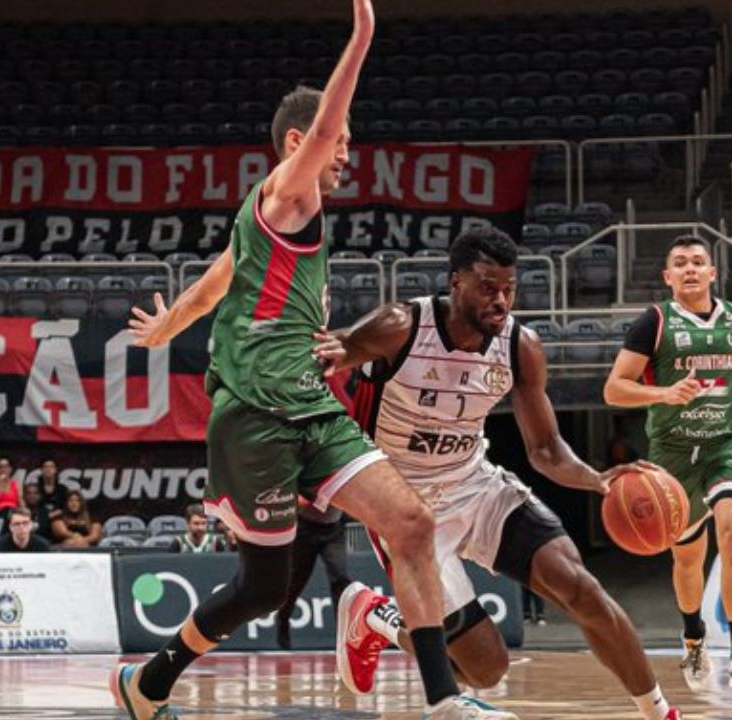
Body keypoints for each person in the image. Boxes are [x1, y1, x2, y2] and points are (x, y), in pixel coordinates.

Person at [108, 5, 508, 718]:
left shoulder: (272, 224)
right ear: (300, 144)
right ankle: (148, 684)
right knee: (261, 587)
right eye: (340, 140)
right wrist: (361, 41)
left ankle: (444, 704)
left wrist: (167, 326)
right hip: (256, 413)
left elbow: (213, 283)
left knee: (410, 525)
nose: (347, 152)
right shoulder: (287, 194)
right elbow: (324, 126)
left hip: (311, 407)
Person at [318, 227, 684, 719]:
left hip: (475, 484)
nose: (501, 300)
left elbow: (546, 449)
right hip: (404, 504)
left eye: (509, 288)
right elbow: (332, 355)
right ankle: (378, 617)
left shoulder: (519, 346)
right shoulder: (401, 326)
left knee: (580, 587)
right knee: (487, 669)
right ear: (456, 284)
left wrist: (598, 480)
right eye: (488, 287)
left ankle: (660, 712)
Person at [604, 234, 732, 694]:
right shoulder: (655, 322)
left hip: (727, 443)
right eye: (680, 263)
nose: (690, 269)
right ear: (668, 277)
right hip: (671, 453)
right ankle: (693, 638)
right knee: (688, 558)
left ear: (712, 273)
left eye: (698, 262)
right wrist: (663, 393)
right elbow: (614, 388)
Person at [274, 498, 352, 651]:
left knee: (341, 577)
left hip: (334, 529)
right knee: (295, 583)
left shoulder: (341, 473)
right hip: (305, 528)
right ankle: (283, 618)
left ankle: (345, 636)